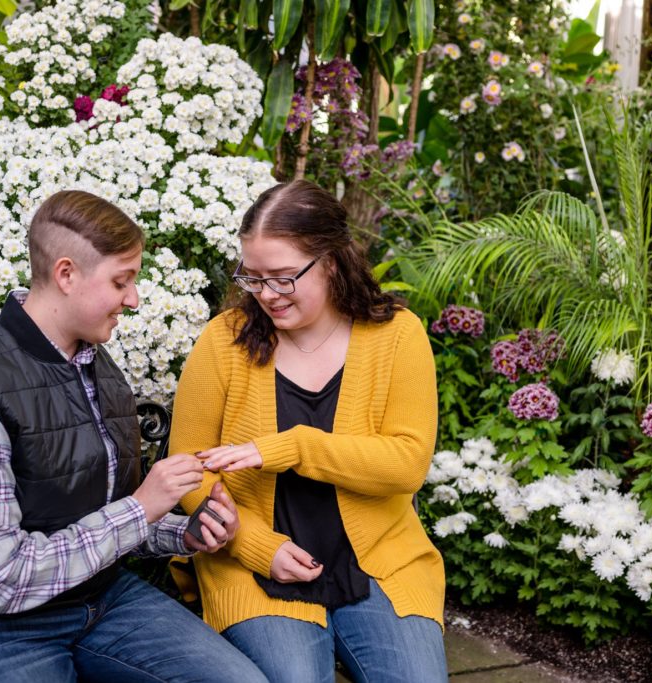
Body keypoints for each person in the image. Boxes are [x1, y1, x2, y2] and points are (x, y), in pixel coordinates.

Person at [0, 190, 268, 683]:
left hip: (99, 598)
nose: (133, 299)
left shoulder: (96, 365)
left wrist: (186, 531)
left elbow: (88, 521)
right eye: (121, 281)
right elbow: (2, 581)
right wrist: (143, 506)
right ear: (66, 275)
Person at [168, 179, 447, 683]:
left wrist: (292, 446)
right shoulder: (224, 341)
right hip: (256, 568)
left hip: (379, 562)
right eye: (252, 277)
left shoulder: (397, 335)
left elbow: (407, 463)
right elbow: (187, 466)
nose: (266, 295)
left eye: (282, 277)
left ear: (332, 261)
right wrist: (254, 545)